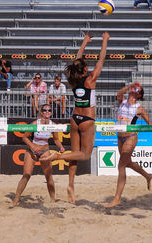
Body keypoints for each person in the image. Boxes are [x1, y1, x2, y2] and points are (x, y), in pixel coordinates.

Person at [40, 32, 110, 204]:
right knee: (85, 155)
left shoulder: (73, 79)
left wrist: (84, 42)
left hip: (75, 118)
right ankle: (57, 157)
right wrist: (105, 40)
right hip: (87, 120)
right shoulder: (90, 80)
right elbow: (101, 60)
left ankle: (71, 185)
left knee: (75, 154)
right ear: (85, 69)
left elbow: (76, 61)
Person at [104, 82, 152, 208]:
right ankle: (148, 175)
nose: (133, 90)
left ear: (139, 95)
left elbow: (151, 125)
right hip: (119, 137)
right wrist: (129, 85)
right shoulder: (122, 101)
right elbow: (119, 94)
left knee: (121, 166)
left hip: (131, 137)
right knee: (127, 163)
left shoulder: (139, 108)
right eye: (133, 88)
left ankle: (117, 198)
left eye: (137, 89)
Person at [13, 104, 65, 206]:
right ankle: (16, 199)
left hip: (45, 151)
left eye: (49, 110)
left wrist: (61, 147)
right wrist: (32, 146)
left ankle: (53, 200)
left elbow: (56, 139)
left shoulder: (52, 124)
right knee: (26, 175)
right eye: (45, 110)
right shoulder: (35, 123)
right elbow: (25, 137)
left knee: (48, 176)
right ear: (41, 112)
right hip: (32, 150)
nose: (47, 112)